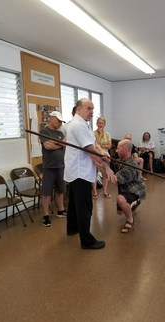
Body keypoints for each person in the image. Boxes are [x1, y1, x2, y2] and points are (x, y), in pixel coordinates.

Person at [64, 98, 116, 250]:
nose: (92, 112)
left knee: (74, 204)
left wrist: (101, 155)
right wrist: (106, 168)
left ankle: (72, 228)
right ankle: (87, 241)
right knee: (84, 207)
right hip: (80, 172)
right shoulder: (77, 125)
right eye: (88, 108)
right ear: (78, 109)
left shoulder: (82, 125)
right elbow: (90, 149)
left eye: (93, 109)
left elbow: (95, 145)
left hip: (77, 170)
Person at [39, 111, 68, 227]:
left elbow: (66, 143)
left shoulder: (60, 132)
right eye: (59, 121)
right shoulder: (44, 131)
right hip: (49, 167)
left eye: (61, 121)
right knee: (47, 192)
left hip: (61, 165)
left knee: (60, 190)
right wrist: (59, 143)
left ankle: (60, 210)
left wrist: (55, 142)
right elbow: (47, 146)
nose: (60, 123)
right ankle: (45, 215)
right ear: (51, 119)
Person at [115, 139, 146, 233]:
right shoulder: (122, 159)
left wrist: (103, 166)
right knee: (119, 212)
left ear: (125, 149)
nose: (116, 150)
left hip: (134, 189)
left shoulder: (131, 165)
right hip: (125, 188)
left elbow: (115, 180)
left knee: (120, 199)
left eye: (118, 148)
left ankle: (130, 220)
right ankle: (133, 203)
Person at [92, 117, 112, 198]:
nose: (101, 125)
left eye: (102, 123)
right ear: (97, 124)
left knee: (105, 174)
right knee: (94, 173)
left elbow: (109, 146)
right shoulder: (93, 133)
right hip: (96, 155)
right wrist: (100, 135)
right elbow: (95, 144)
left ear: (104, 124)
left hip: (105, 156)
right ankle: (95, 192)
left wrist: (101, 145)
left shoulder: (107, 134)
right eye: (99, 123)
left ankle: (105, 191)